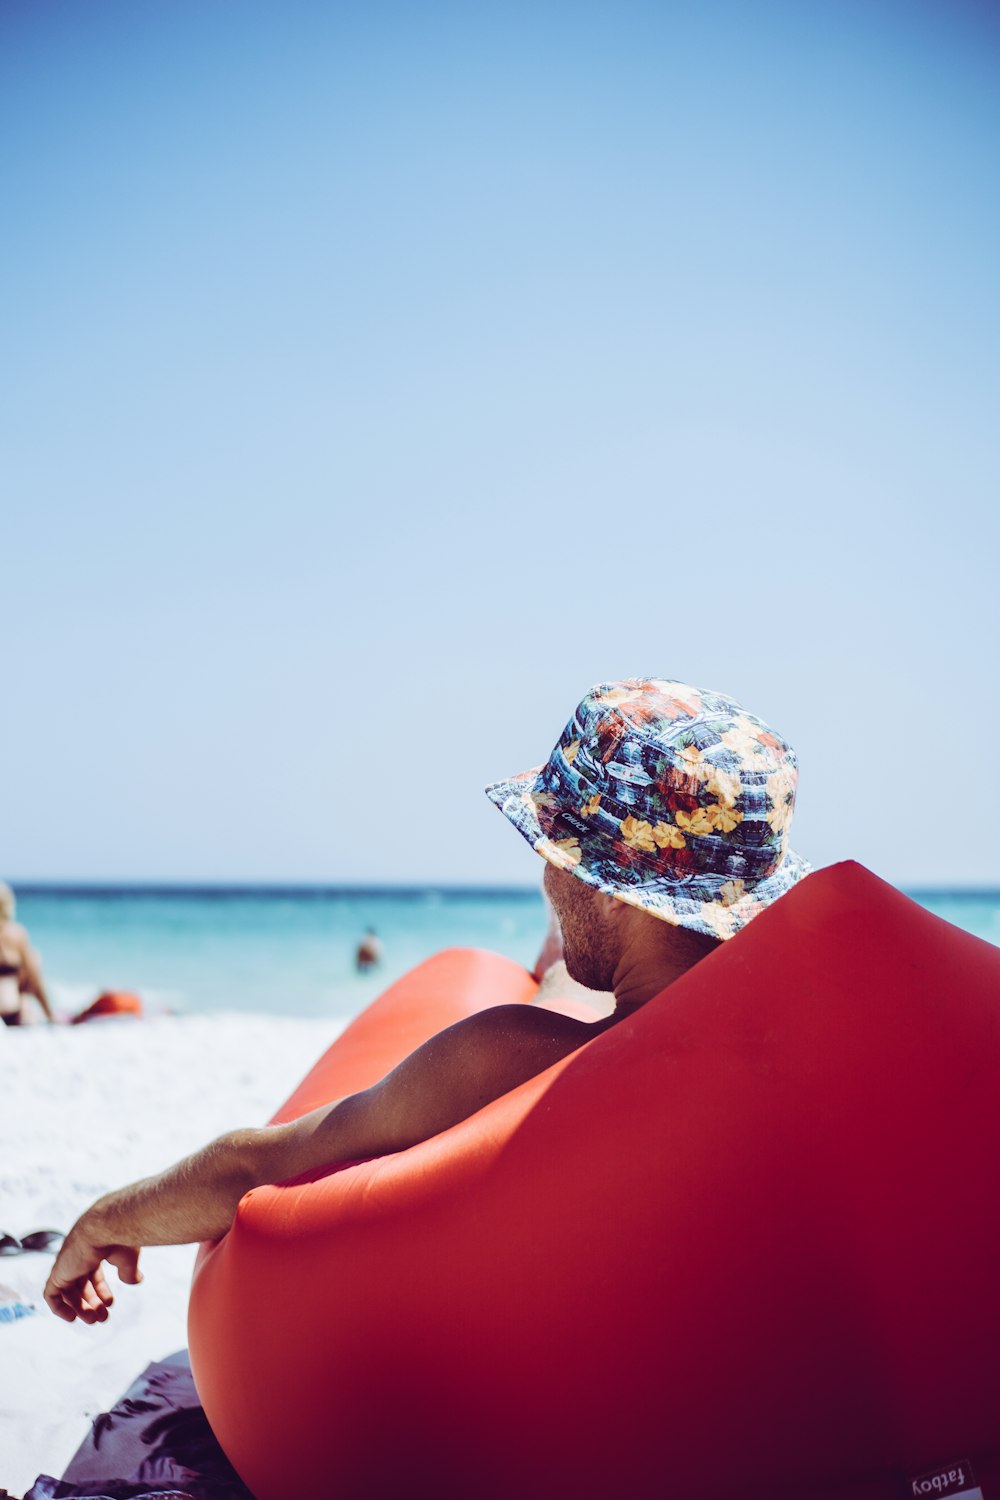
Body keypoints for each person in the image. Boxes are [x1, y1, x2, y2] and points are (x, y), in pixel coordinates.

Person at [45, 677, 809, 1323]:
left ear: (612, 891)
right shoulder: (817, 1037)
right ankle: (573, 949)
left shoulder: (513, 1057)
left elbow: (257, 1167)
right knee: (570, 976)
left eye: (556, 856)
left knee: (558, 984)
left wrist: (106, 1218)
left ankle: (564, 948)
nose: (548, 873)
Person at [0, 882, 56, 1026]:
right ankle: (39, 1012)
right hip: (11, 1011)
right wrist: (50, 1013)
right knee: (34, 958)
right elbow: (35, 978)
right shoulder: (16, 933)